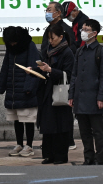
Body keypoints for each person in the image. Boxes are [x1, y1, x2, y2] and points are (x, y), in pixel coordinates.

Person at [68, 19, 103, 165]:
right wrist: (71, 95)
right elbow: (74, 75)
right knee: (84, 131)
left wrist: (102, 97)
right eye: (83, 29)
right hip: (80, 98)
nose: (83, 32)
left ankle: (99, 159)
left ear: (94, 33)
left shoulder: (101, 51)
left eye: (86, 30)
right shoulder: (79, 51)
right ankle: (88, 158)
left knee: (98, 131)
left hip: (94, 98)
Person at [0, 26, 41, 158]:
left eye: (13, 41)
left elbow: (33, 68)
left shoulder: (30, 45)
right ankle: (19, 144)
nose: (12, 44)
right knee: (17, 119)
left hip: (26, 90)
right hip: (13, 89)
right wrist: (1, 86)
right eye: (9, 42)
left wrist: (29, 87)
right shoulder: (10, 48)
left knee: (28, 118)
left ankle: (29, 145)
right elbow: (6, 66)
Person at [34, 22, 75, 164]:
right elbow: (45, 69)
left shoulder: (67, 52)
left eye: (53, 38)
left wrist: (51, 70)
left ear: (61, 37)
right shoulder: (48, 51)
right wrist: (34, 70)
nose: (50, 41)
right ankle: (49, 155)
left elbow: (69, 74)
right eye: (49, 38)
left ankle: (60, 156)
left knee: (60, 126)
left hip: (61, 94)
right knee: (48, 125)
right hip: (47, 92)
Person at [41, 1, 76, 150]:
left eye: (50, 10)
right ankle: (52, 146)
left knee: (63, 114)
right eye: (46, 10)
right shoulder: (48, 29)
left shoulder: (66, 30)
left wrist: (52, 69)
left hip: (61, 81)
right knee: (50, 116)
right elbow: (44, 51)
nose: (47, 13)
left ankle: (68, 141)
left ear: (59, 13)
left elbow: (70, 61)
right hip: (48, 80)